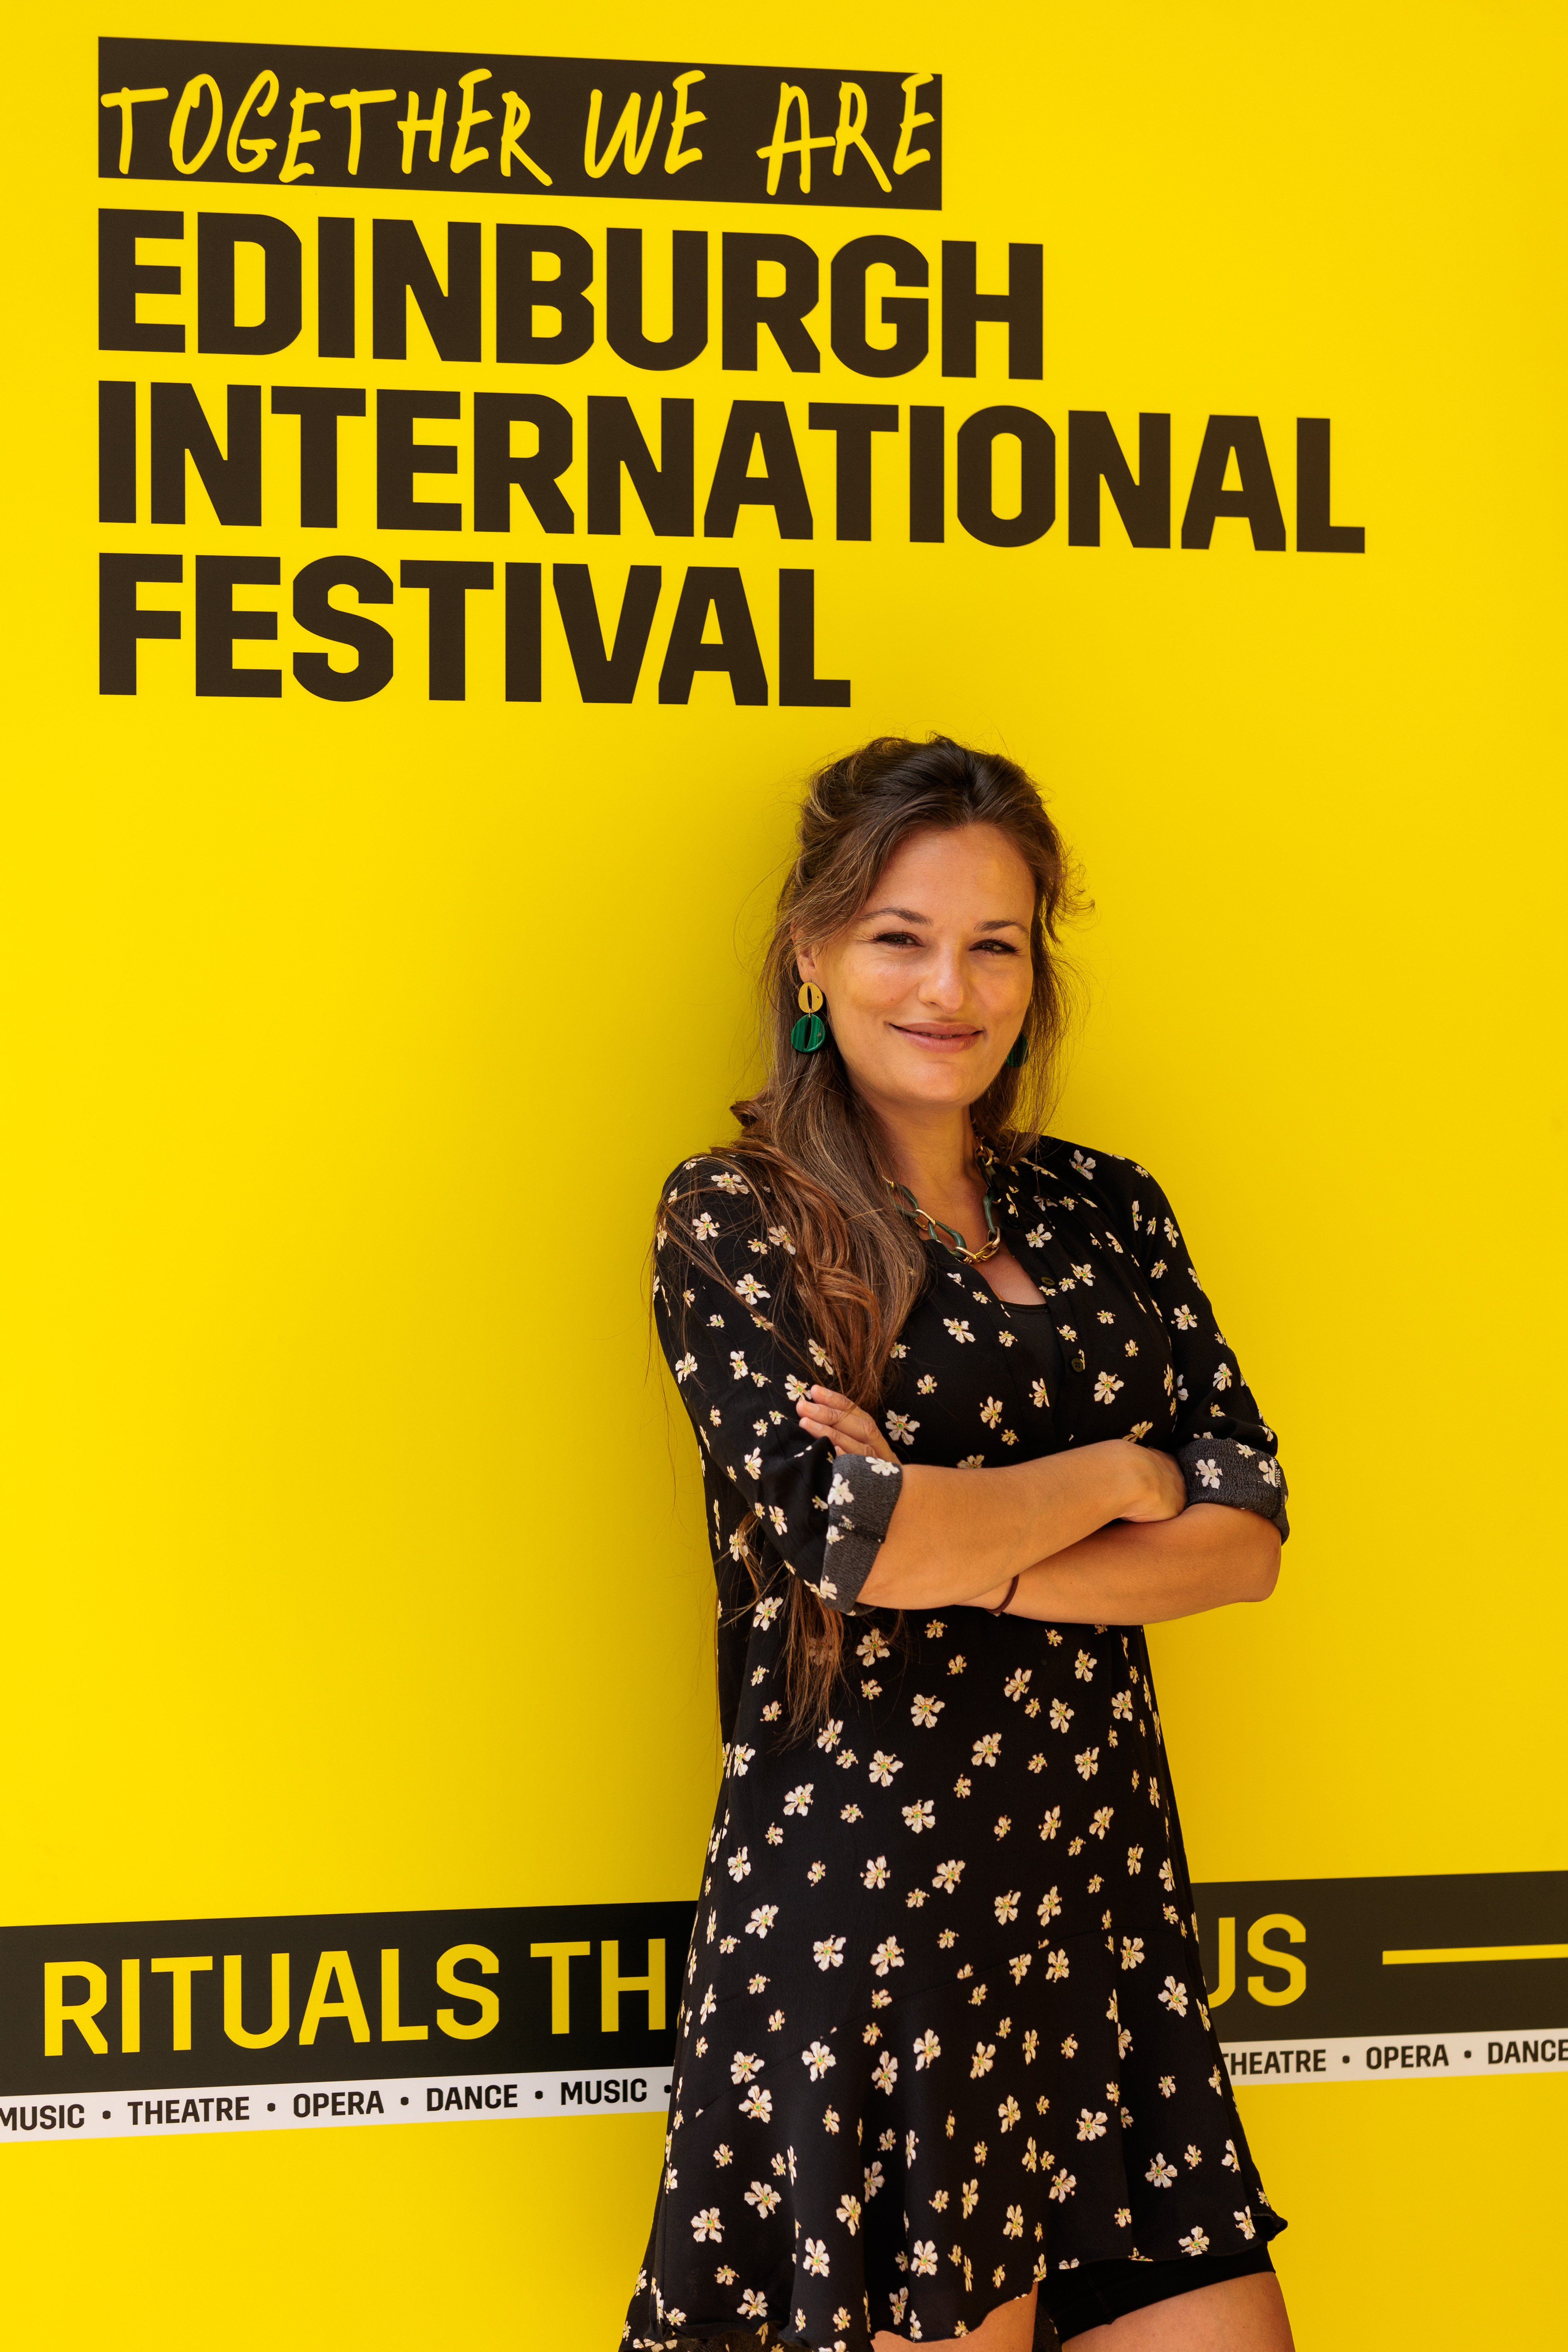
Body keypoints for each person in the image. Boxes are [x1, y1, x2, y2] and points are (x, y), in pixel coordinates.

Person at [625, 737, 1294, 2352]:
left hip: (1098, 1911)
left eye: (994, 942)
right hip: (882, 1921)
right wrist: (1126, 1465)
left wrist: (970, 1540)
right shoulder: (740, 1215)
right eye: (900, 937)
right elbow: (849, 1541)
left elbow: (1245, 1533)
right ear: (814, 953)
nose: (951, 986)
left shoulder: (1105, 1210)